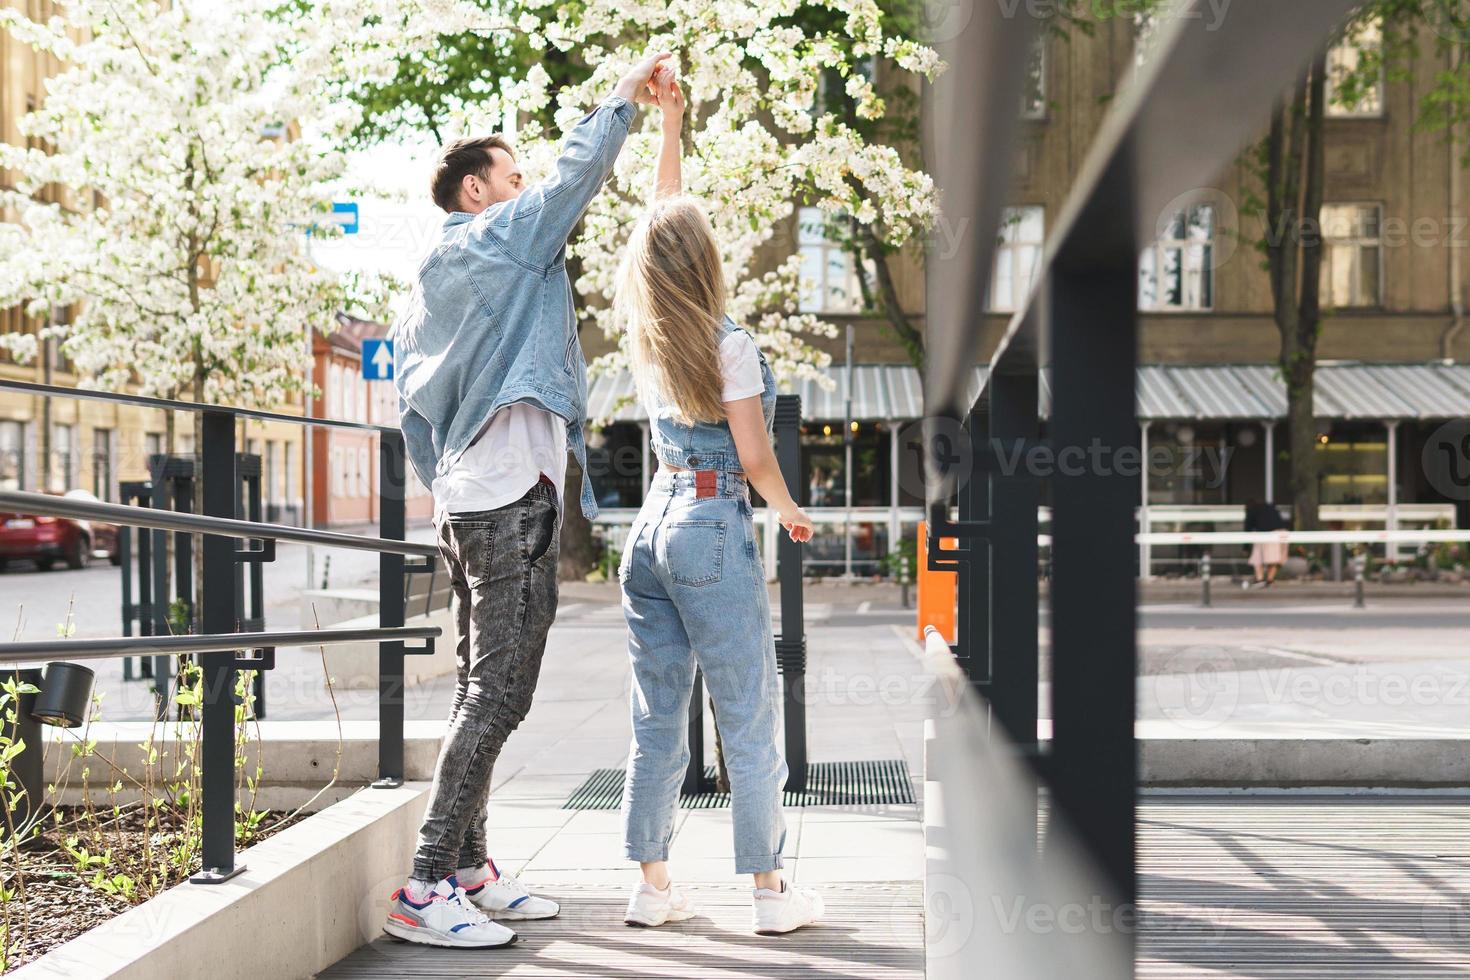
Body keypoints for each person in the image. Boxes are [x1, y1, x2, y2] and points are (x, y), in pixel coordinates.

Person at [383, 51, 673, 949]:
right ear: (477, 191)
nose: (528, 187)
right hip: (507, 496)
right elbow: (579, 175)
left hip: (470, 496)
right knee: (499, 695)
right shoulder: (501, 235)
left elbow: (413, 417)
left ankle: (467, 870)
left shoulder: (427, 281)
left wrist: (451, 487)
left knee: (482, 685)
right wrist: (626, 92)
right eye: (512, 175)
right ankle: (424, 887)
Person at [611, 68, 824, 936]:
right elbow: (753, 453)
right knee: (746, 708)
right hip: (708, 527)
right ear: (708, 262)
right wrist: (790, 509)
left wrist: (670, 127)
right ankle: (770, 895)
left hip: (650, 528)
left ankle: (651, 887)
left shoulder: (651, 327)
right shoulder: (727, 344)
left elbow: (661, 218)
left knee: (657, 712)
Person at [1243, 498, 1289, 588]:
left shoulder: (1252, 511)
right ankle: (1269, 580)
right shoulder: (1269, 507)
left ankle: (1260, 579)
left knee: (1258, 557)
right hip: (1281, 533)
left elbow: (1247, 529)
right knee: (1274, 558)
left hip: (1267, 534)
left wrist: (1245, 548)